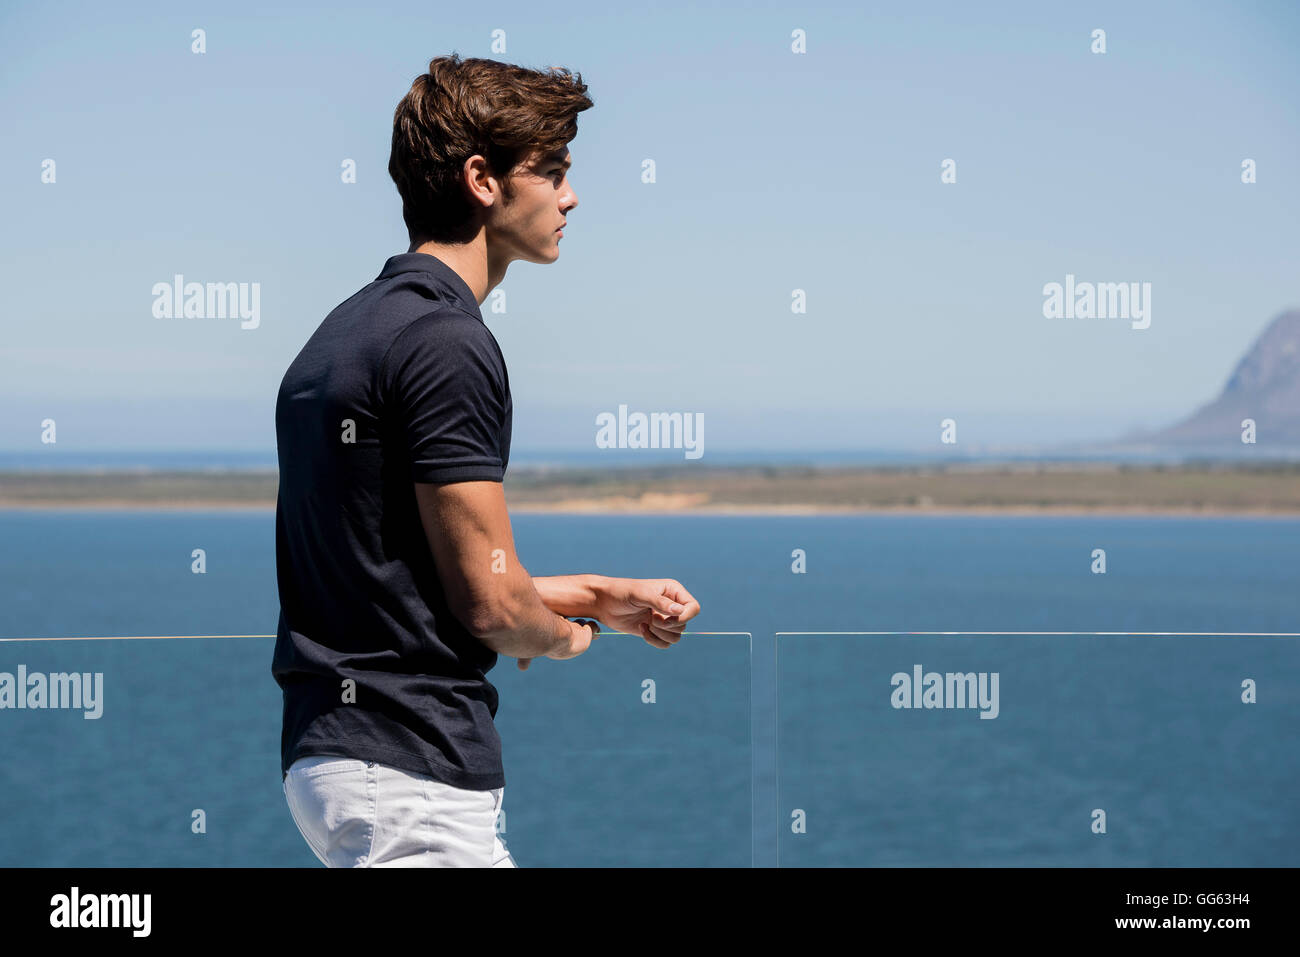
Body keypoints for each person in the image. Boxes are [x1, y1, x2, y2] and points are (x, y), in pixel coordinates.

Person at [271, 53, 701, 867]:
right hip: (414, 777)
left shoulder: (341, 335)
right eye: (553, 171)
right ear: (482, 179)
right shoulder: (447, 343)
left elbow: (394, 580)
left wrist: (598, 596)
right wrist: (570, 638)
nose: (570, 197)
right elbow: (492, 608)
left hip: (331, 758)